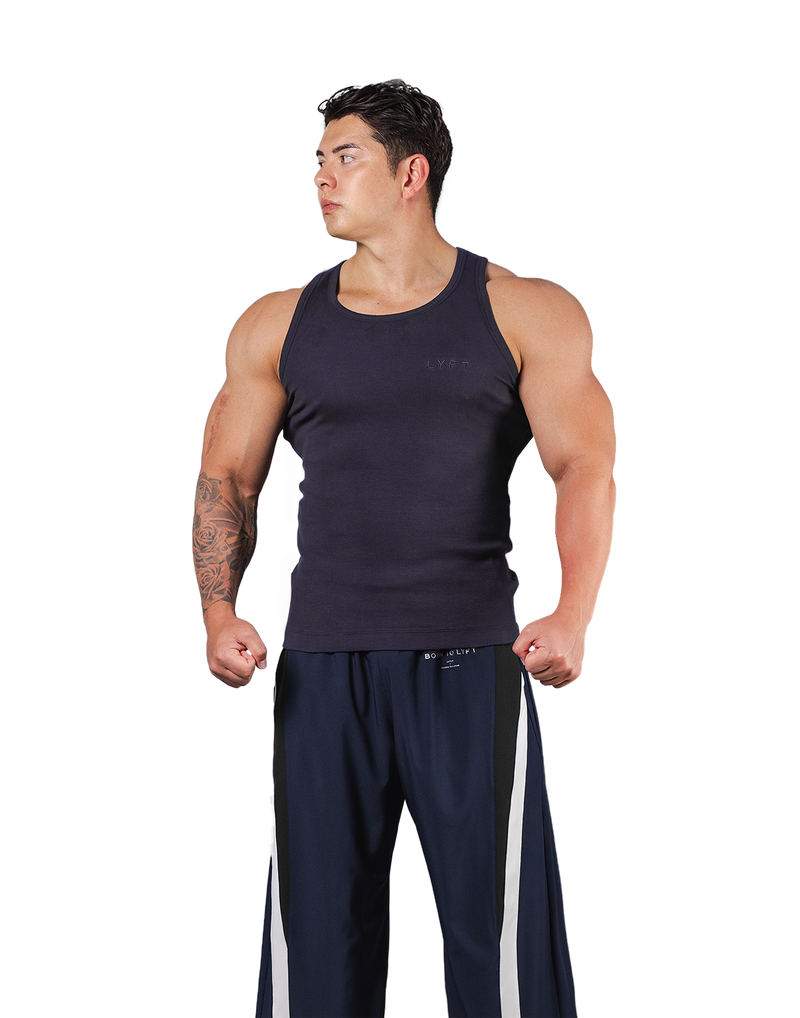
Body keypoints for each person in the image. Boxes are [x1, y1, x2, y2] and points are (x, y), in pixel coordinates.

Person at [190, 73, 618, 1018]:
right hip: (320, 663)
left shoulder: (524, 308)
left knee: (501, 952)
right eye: (317, 159)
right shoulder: (277, 321)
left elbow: (584, 466)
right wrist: (219, 609)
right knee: (314, 950)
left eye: (345, 158)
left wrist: (573, 614)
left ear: (412, 172)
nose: (321, 177)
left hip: (471, 660)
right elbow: (226, 477)